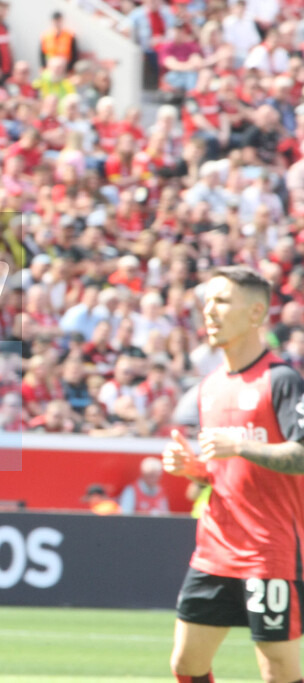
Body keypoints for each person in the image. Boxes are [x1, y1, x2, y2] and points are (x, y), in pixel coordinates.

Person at [163, 265, 304, 683]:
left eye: (222, 301)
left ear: (256, 314)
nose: (209, 310)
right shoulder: (209, 387)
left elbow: (300, 453)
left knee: (277, 668)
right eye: (208, 300)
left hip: (269, 550)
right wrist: (194, 469)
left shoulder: (281, 381)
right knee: (186, 663)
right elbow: (222, 471)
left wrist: (238, 444)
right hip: (215, 549)